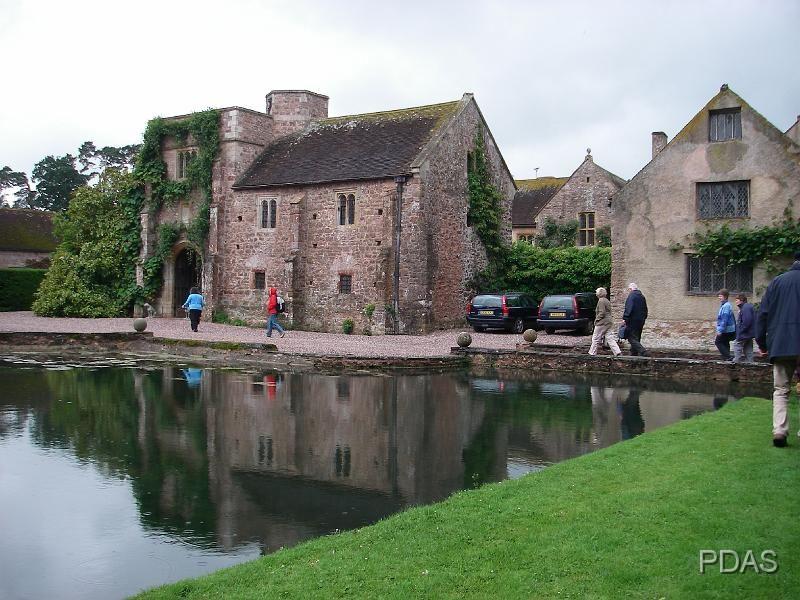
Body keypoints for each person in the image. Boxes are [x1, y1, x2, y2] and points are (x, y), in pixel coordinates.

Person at [755, 251, 800, 448]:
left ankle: (780, 430)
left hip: (781, 344)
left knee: (781, 390)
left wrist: (762, 344)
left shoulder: (777, 282)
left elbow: (763, 314)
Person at [588, 287, 622, 356]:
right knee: (609, 337)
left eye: (596, 292)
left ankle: (592, 353)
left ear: (599, 293)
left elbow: (602, 312)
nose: (596, 294)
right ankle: (617, 351)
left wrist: (597, 319)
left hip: (602, 322)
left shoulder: (601, 301)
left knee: (596, 338)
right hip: (608, 322)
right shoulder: (607, 300)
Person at [622, 282, 648, 357]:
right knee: (637, 337)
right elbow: (645, 309)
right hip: (641, 320)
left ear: (630, 289)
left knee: (631, 338)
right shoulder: (642, 296)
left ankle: (643, 351)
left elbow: (628, 308)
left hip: (632, 321)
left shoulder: (631, 296)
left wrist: (625, 318)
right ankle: (633, 355)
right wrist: (644, 318)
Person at [714, 289, 736, 360]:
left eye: (720, 296)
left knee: (718, 342)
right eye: (719, 296)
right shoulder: (725, 305)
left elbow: (724, 319)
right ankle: (726, 358)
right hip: (729, 329)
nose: (719, 297)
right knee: (725, 342)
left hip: (726, 329)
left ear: (725, 296)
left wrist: (720, 330)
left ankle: (728, 357)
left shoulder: (726, 306)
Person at [733, 293, 755, 363]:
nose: (735, 302)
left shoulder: (745, 308)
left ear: (741, 300)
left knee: (737, 344)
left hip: (744, 333)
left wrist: (741, 331)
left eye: (737, 300)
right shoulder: (747, 307)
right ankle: (750, 362)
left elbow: (747, 321)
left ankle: (736, 362)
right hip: (749, 333)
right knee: (748, 347)